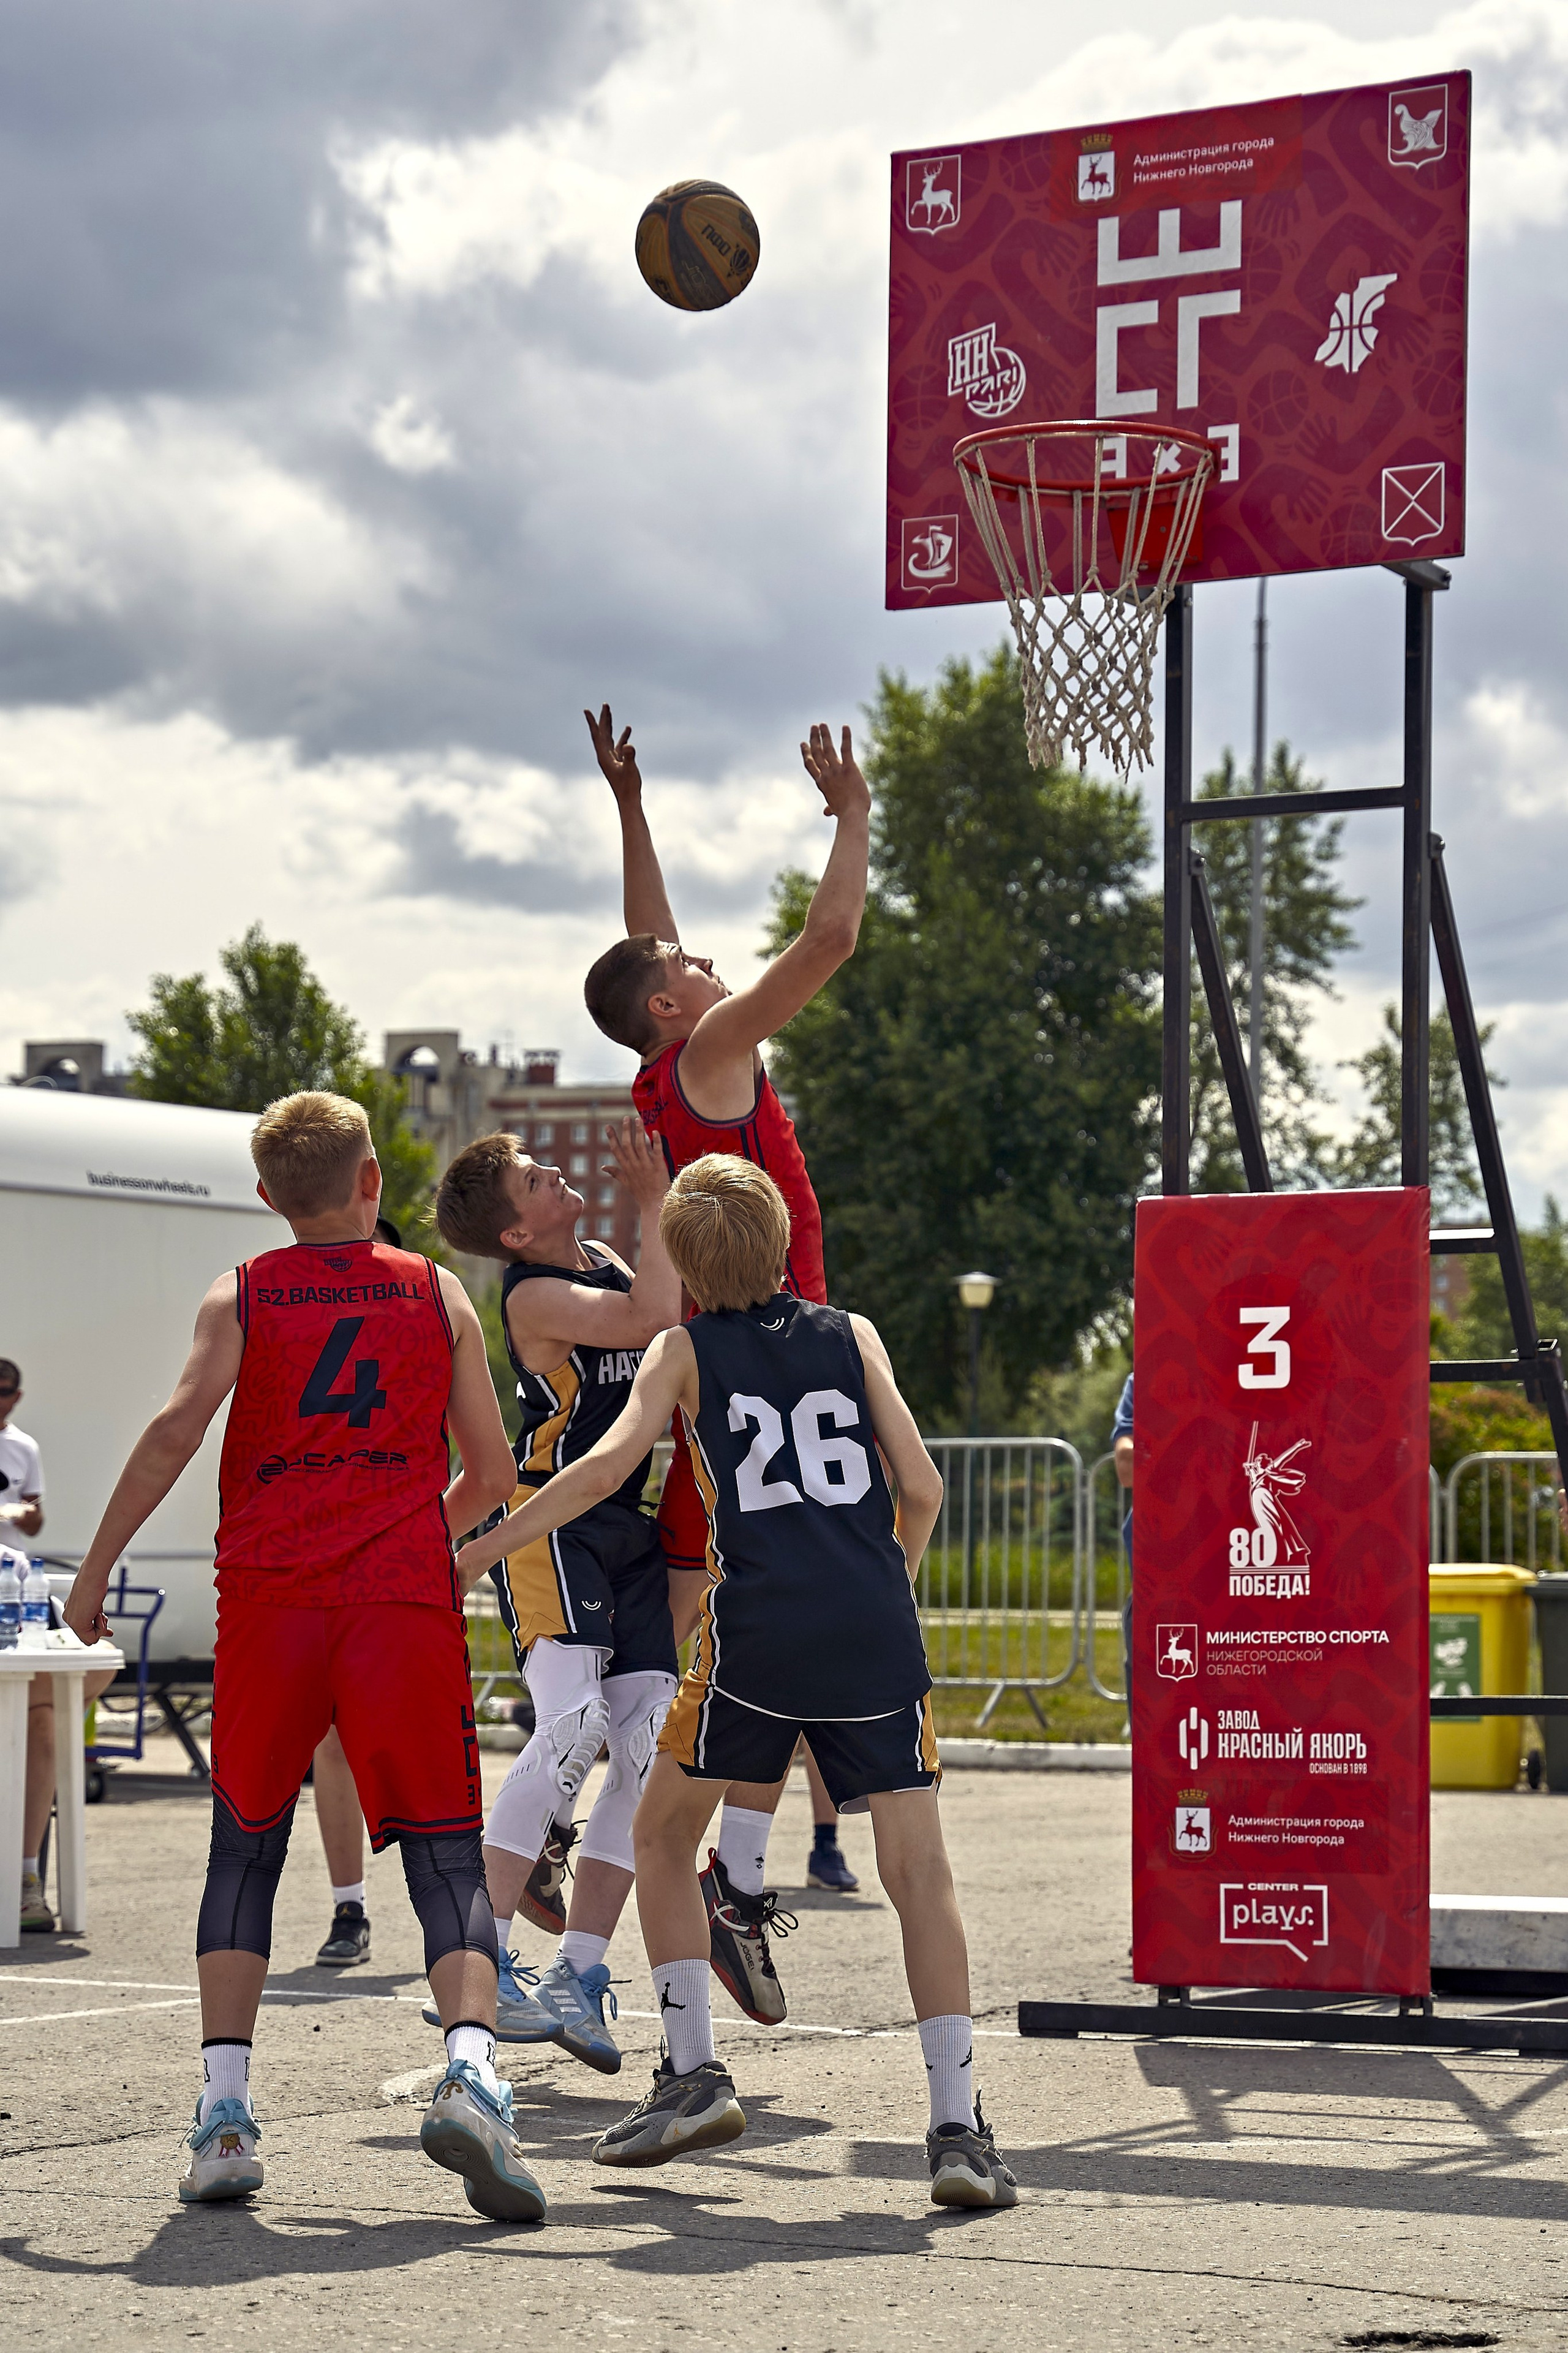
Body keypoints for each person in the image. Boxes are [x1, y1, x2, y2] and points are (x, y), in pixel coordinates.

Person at [456, 1157, 1019, 2212]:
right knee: (921, 1876)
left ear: (689, 1265)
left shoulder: (682, 1347)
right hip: (871, 1629)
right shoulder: (852, 1334)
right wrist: (882, 1584)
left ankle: (692, 2074)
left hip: (754, 1633)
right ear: (781, 1244)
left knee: (667, 1836)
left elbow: (602, 1471)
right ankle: (957, 2129)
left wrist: (488, 1546)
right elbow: (926, 1484)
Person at [63, 1092, 545, 2222]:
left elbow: (179, 1427)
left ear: (270, 1196)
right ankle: (474, 2073)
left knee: (244, 1847)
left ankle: (225, 2116)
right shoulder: (439, 1296)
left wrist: (93, 1579)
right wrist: (416, 1548)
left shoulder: (243, 1291)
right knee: (444, 1862)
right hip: (399, 1601)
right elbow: (490, 1473)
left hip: (272, 1603)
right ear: (373, 1177)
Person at [583, 701, 869, 2019]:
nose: (712, 962)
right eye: (696, 962)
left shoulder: (669, 1063)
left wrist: (632, 808)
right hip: (786, 1347)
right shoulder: (709, 1048)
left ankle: (704, 1871)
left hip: (717, 1366)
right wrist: (852, 815)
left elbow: (651, 942)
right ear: (670, 1004)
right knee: (811, 1614)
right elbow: (827, 938)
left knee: (727, 1623)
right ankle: (735, 1881)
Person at [428, 1116, 682, 2074]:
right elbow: (651, 1323)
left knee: (647, 1752)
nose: (556, 1173)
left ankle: (578, 1971)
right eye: (536, 1177)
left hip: (632, 1531)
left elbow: (667, 1311)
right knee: (573, 1726)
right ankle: (480, 1942)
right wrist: (658, 1199)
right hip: (551, 1525)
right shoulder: (535, 1294)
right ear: (515, 1234)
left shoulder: (610, 1256)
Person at [309, 1217, 404, 1970]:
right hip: (318, 1553)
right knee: (332, 1741)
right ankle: (350, 1904)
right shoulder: (292, 1316)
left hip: (399, 1554)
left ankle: (472, 1905)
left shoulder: (427, 1318)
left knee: (425, 1738)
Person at [1, 1360, 116, 1933]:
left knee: (45, 1718)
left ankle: (25, 1878)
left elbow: (36, 1520)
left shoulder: (23, 1449)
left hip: (11, 1591)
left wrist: (23, 1514)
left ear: (17, 1397)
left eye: (3, 1394)